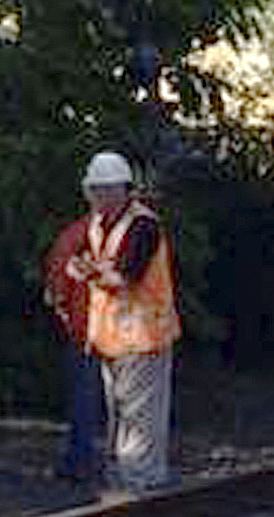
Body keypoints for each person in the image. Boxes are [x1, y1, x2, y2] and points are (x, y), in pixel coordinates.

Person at [76, 151, 181, 494]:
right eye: (95, 190)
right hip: (113, 336)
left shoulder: (143, 224)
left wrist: (90, 272)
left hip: (143, 334)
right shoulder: (99, 223)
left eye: (105, 190)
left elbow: (126, 275)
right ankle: (126, 478)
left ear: (123, 190)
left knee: (140, 417)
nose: (99, 197)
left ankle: (141, 482)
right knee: (120, 413)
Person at [41, 206, 108, 487]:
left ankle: (79, 462)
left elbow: (56, 284)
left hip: (85, 331)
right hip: (116, 331)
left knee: (84, 399)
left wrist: (64, 312)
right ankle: (106, 463)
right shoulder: (123, 234)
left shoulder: (74, 234)